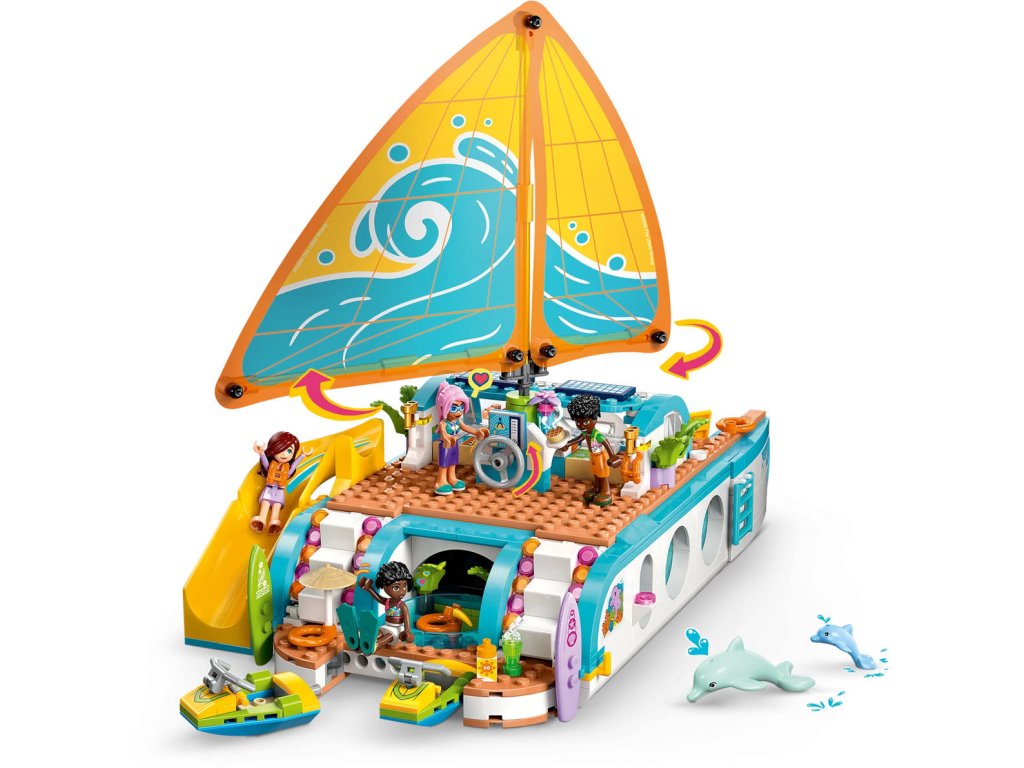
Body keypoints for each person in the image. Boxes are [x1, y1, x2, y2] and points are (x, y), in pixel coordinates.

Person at [557, 394, 621, 507]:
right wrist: (568, 444)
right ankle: (596, 488)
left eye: (585, 422)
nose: (581, 426)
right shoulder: (586, 432)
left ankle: (606, 492)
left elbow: (605, 443)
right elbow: (580, 438)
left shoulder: (597, 434)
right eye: (578, 423)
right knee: (595, 473)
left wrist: (612, 456)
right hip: (593, 455)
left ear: (595, 419)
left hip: (601, 456)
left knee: (602, 475)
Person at [251, 431, 312, 534]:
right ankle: (261, 519)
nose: (284, 454)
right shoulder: (271, 466)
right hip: (269, 490)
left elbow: (293, 466)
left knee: (277, 506)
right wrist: (261, 453)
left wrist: (302, 455)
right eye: (281, 449)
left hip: (279, 492)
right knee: (265, 504)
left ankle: (274, 523)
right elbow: (266, 465)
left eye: (289, 451)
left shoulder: (287, 470)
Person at [434, 381, 489, 495]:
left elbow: (466, 427)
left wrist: (476, 432)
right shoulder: (443, 423)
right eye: (453, 408)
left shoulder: (458, 421)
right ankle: (441, 481)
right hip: (446, 446)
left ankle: (452, 478)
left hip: (455, 444)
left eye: (461, 407)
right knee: (444, 464)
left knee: (453, 463)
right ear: (444, 407)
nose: (459, 412)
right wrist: (448, 438)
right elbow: (443, 434)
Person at [359, 561, 414, 644]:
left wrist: (407, 631)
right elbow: (379, 598)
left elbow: (406, 618)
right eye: (396, 588)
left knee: (388, 637)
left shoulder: (402, 605)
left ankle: (374, 646)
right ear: (384, 586)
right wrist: (369, 589)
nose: (402, 592)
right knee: (378, 633)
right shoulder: (387, 601)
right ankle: (364, 642)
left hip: (398, 629)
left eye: (405, 586)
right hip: (387, 625)